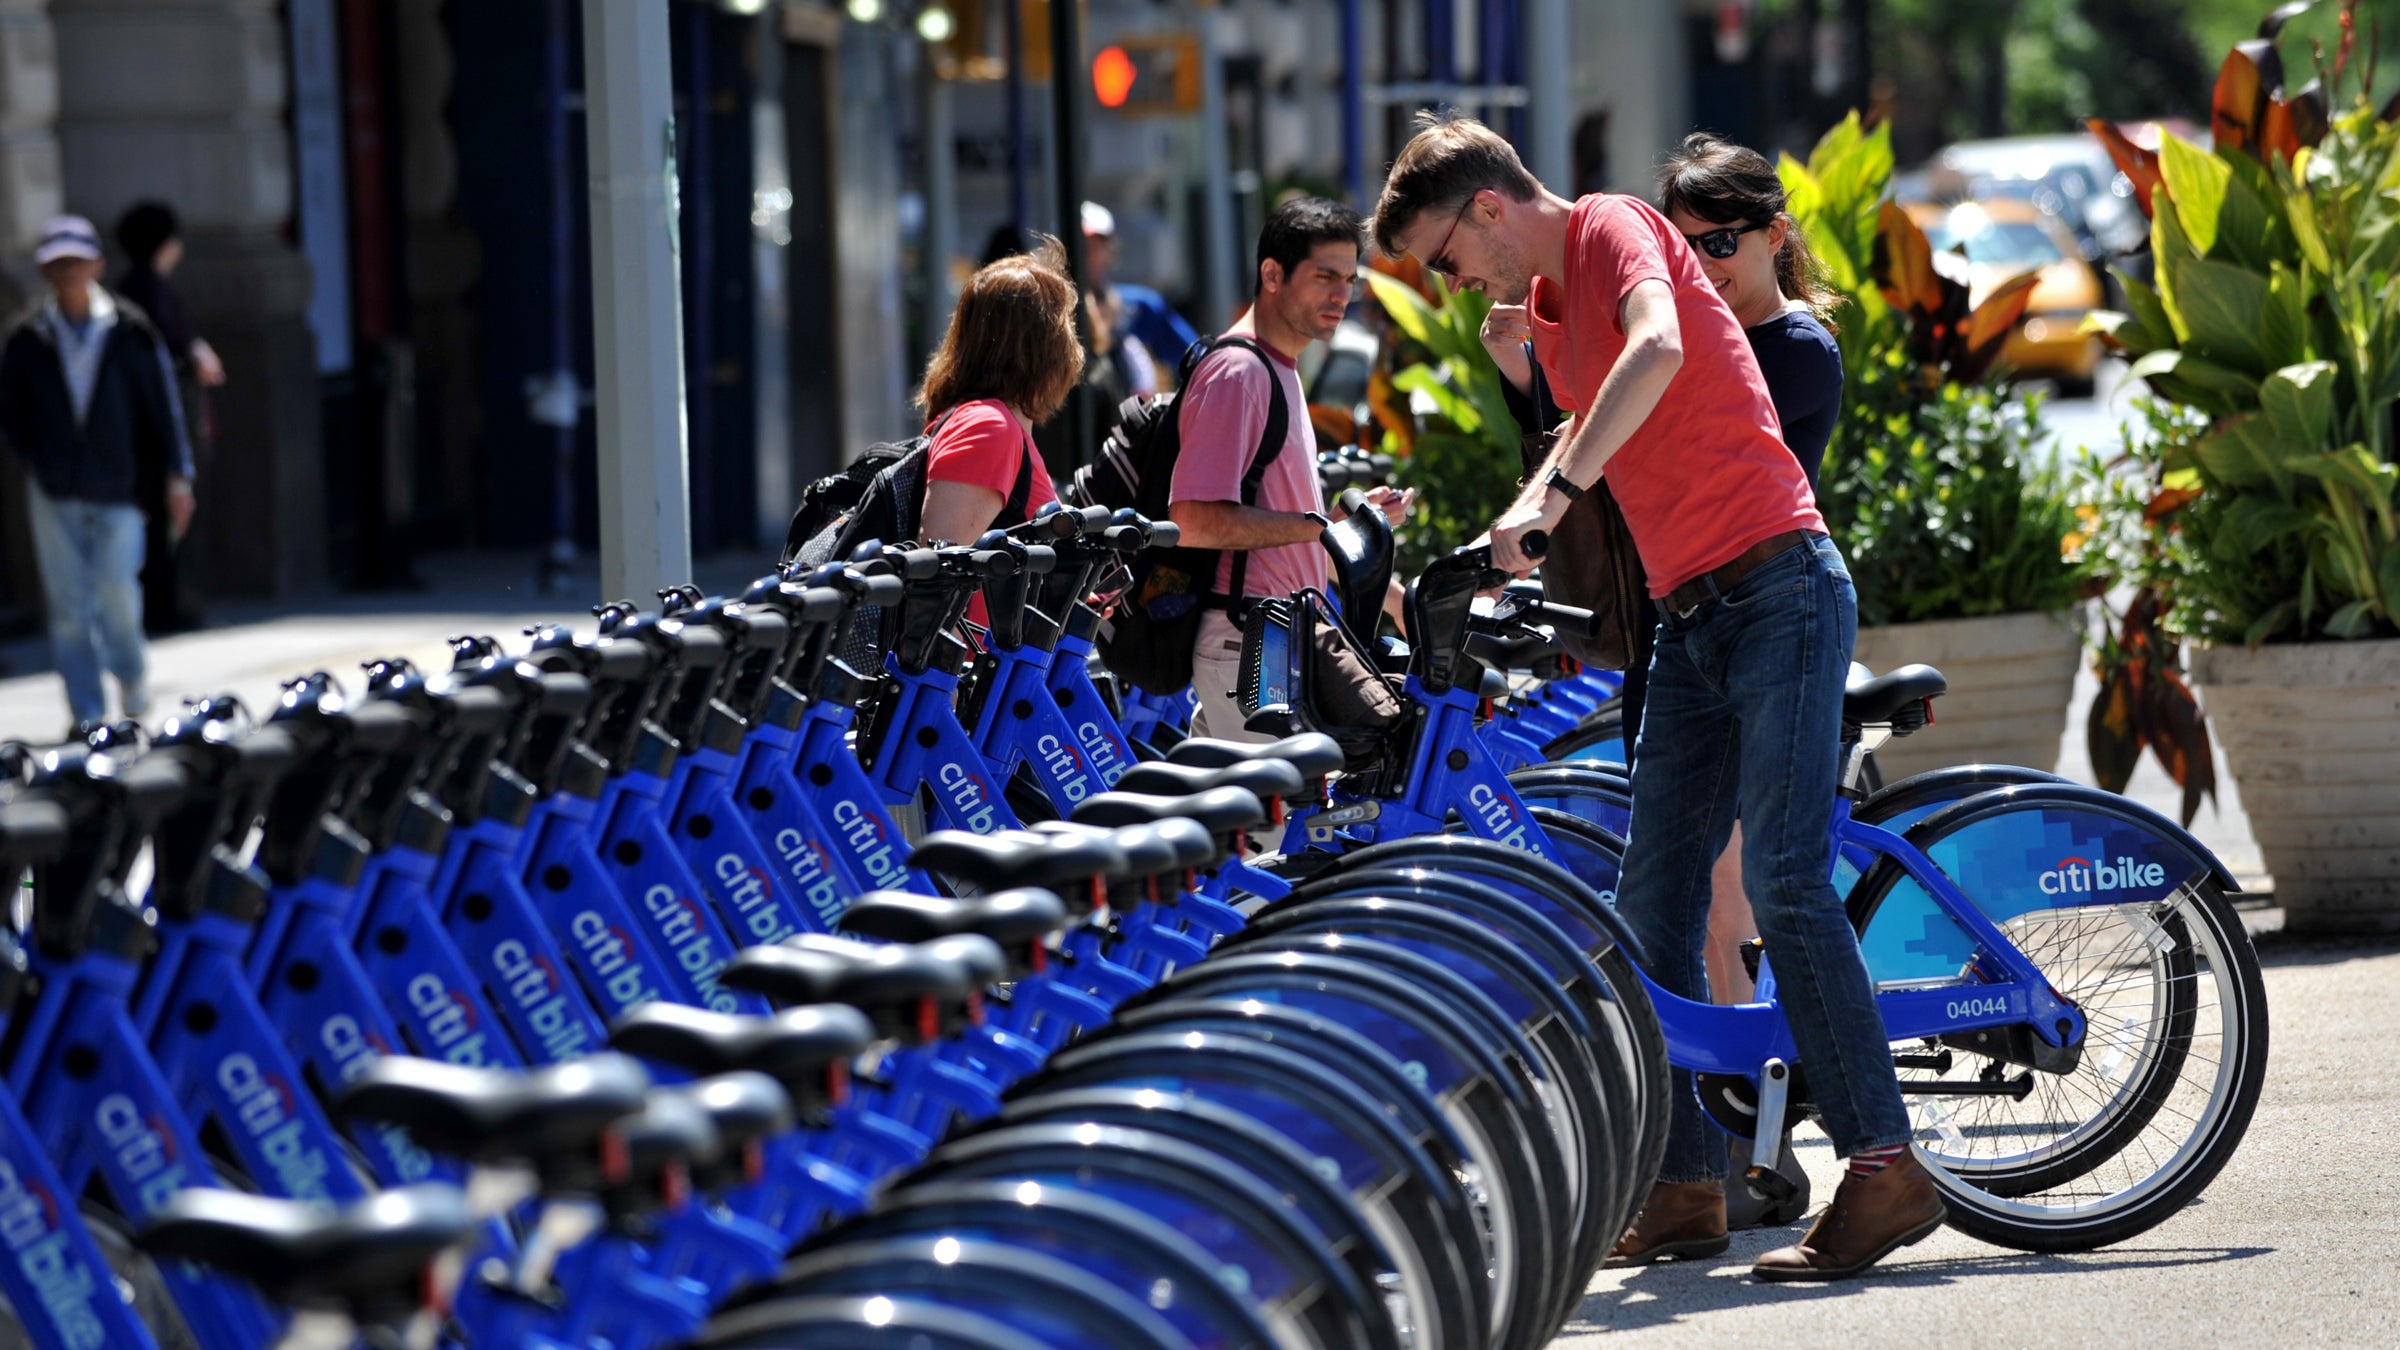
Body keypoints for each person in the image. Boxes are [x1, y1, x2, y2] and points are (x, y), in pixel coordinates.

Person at [1374, 114, 1939, 1282]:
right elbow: (1588, 419)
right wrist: (1515, 524)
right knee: (1651, 901)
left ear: (1487, 206)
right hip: (1689, 618)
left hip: (1779, 583)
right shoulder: (1540, 308)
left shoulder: (1613, 227)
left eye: (1443, 254)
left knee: (1782, 878)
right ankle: (1686, 1183)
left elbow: (1660, 347)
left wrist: (1556, 494)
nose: (1448, 283)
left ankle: (1888, 1167)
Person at [1168, 197, 1410, 744]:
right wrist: (1319, 527)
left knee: (1242, 824)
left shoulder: (1281, 369)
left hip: (1272, 635)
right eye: (1325, 276)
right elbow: (1194, 520)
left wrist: (1393, 595)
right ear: (1272, 274)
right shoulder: (1238, 373)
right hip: (1251, 640)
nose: (1340, 296)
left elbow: (1283, 528)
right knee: (1278, 829)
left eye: (1349, 280)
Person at [0, 215, 195, 735]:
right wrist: (31, 456)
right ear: (45, 270)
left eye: (76, 261)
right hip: (55, 485)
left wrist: (179, 475)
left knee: (116, 592)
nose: (68, 272)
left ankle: (131, 680)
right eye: (57, 263)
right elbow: (9, 408)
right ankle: (87, 713)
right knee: (67, 606)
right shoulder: (26, 337)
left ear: (97, 266)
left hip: (120, 483)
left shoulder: (129, 329)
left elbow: (162, 405)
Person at [914, 237, 1075, 626]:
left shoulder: (1002, 424)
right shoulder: (989, 428)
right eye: (1065, 326)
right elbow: (935, 574)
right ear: (1040, 347)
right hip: (976, 678)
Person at [115, 200, 222, 634]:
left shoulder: (142, 287)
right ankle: (169, 607)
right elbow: (166, 359)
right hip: (161, 426)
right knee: (169, 517)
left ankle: (173, 604)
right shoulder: (146, 289)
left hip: (158, 425)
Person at [1082, 201, 1203, 380]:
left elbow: (1198, 361)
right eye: (1083, 247)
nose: (1089, 255)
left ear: (1110, 249)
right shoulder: (1052, 312)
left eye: (1096, 246)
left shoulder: (1139, 308)